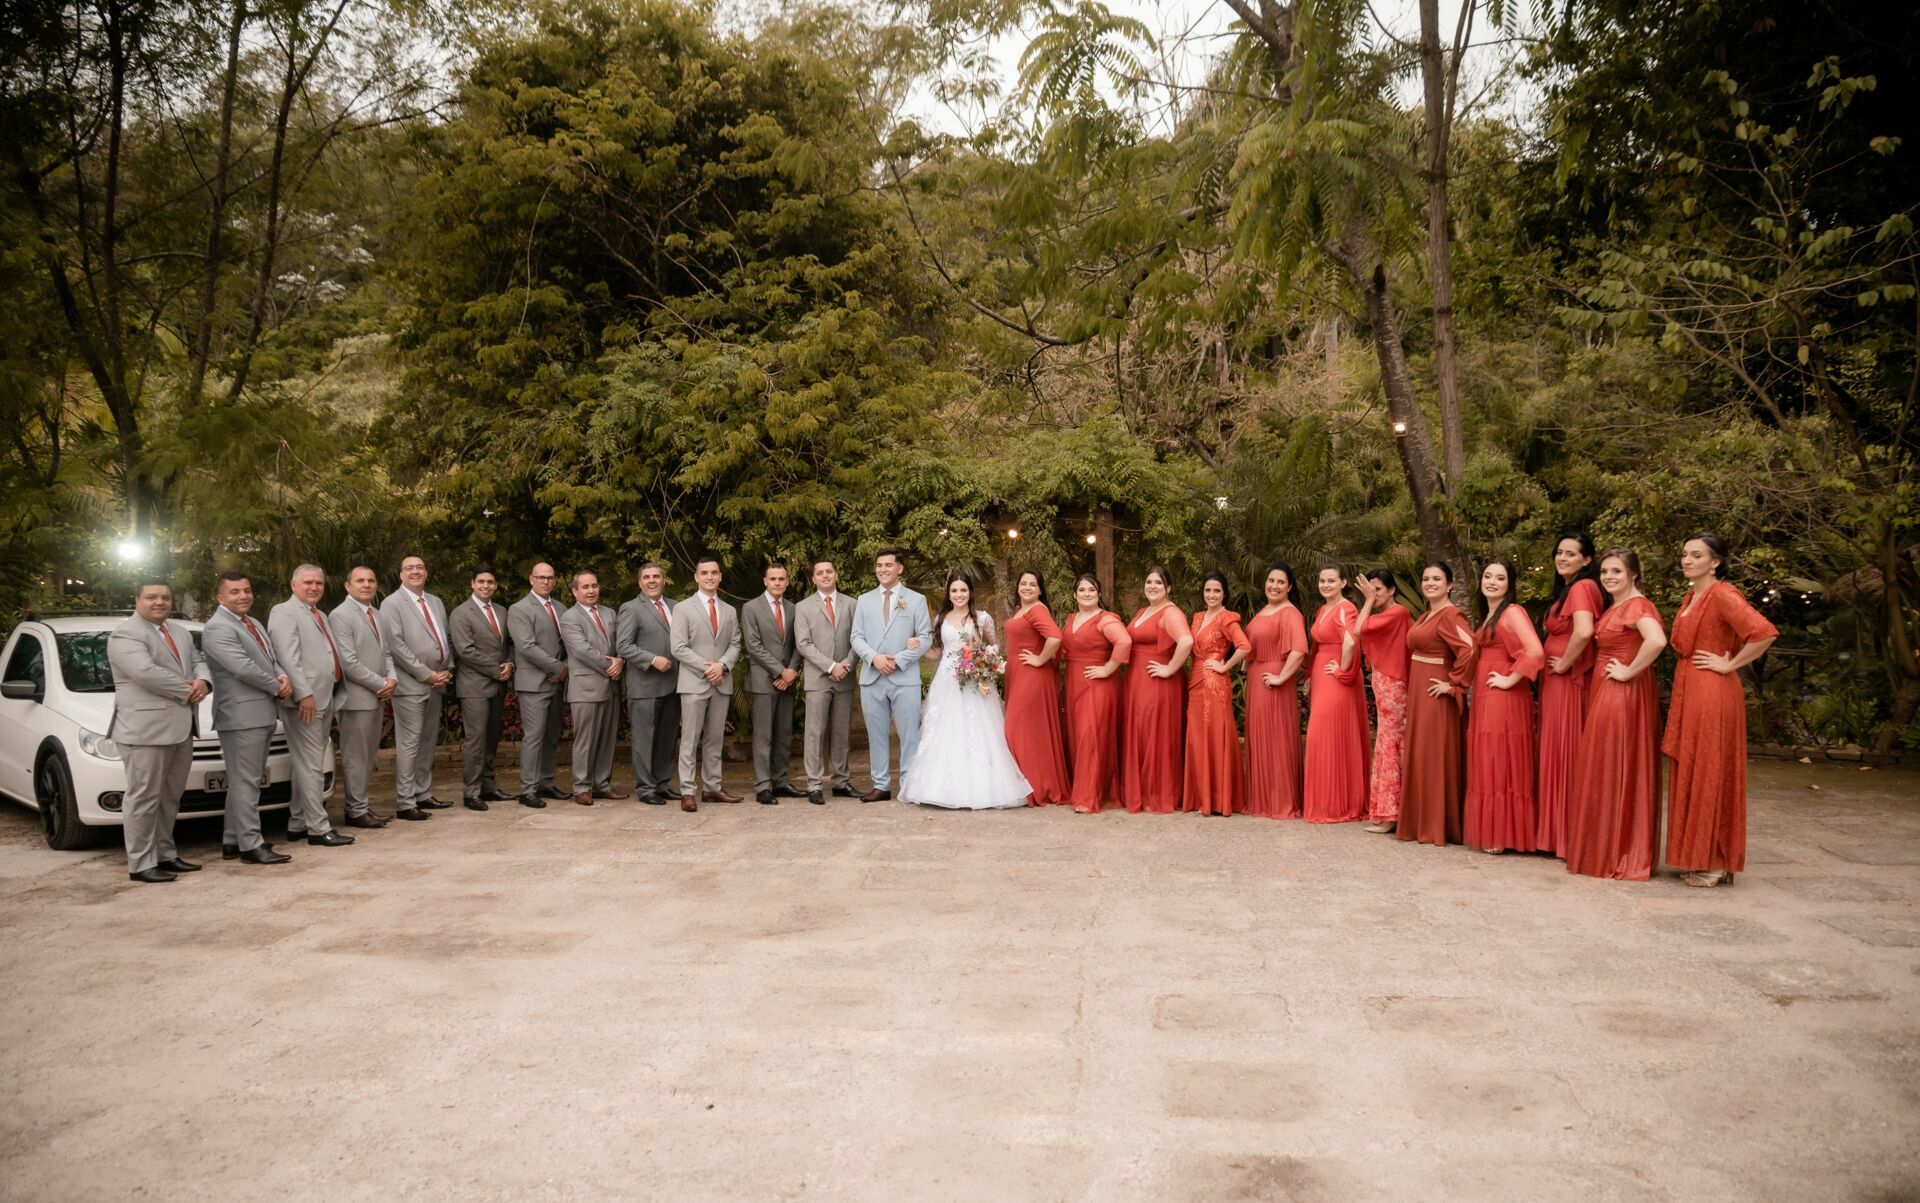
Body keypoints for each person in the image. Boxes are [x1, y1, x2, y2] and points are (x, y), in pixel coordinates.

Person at [1663, 533, 1778, 887]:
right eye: (1684, 554)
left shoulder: (1723, 594)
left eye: (1696, 555)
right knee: (1693, 769)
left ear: (1715, 562)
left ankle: (1713, 859)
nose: (1687, 560)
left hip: (1712, 692)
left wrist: (1731, 665)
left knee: (1710, 770)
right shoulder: (1692, 595)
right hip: (1691, 689)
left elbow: (1764, 633)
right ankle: (1698, 855)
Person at [1566, 550, 1667, 881]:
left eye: (1617, 572)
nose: (1608, 577)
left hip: (1621, 690)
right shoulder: (1617, 606)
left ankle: (1618, 850)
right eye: (1605, 571)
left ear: (1634, 574)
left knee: (1614, 761)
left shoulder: (1639, 605)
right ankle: (1604, 846)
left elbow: (1657, 641)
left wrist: (1629, 672)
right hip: (1607, 686)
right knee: (1604, 762)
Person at [107, 579, 211, 882]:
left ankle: (165, 854)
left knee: (169, 797)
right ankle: (140, 863)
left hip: (181, 727)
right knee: (143, 797)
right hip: (144, 730)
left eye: (165, 597)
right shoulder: (125, 633)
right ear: (137, 600)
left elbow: (198, 661)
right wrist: (188, 690)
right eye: (151, 597)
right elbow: (145, 672)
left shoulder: (178, 631)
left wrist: (204, 682)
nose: (159, 602)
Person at [898, 574, 1031, 809]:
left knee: (979, 731)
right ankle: (937, 789)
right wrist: (917, 646)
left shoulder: (981, 618)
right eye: (954, 591)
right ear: (948, 594)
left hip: (974, 681)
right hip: (946, 681)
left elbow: (995, 644)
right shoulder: (940, 618)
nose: (959, 595)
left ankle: (983, 787)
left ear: (970, 592)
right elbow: (935, 654)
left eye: (963, 590)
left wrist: (983, 656)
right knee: (943, 730)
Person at [200, 571, 294, 861]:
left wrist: (281, 673)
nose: (243, 596)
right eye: (234, 592)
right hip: (241, 715)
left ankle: (232, 839)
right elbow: (241, 668)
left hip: (261, 712)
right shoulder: (217, 628)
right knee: (246, 782)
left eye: (246, 590)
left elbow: (269, 657)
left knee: (244, 780)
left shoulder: (252, 622)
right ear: (220, 597)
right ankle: (251, 845)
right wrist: (277, 686)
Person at [268, 564, 353, 847]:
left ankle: (298, 822)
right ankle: (318, 828)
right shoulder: (284, 612)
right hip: (306, 702)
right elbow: (288, 658)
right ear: (294, 585)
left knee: (306, 764)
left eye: (318, 582)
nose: (314, 587)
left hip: (325, 696)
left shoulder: (320, 614)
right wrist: (303, 694)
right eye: (307, 583)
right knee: (311, 765)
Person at [1464, 559, 1545, 854]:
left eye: (1500, 578)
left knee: (1499, 756)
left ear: (1510, 585)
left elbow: (1535, 650)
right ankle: (1494, 830)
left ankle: (1503, 834)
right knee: (1488, 756)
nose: (1492, 581)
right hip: (1487, 694)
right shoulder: (1488, 615)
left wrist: (1511, 680)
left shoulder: (1512, 611)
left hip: (1504, 696)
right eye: (1487, 576)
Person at [1396, 562, 1476, 847]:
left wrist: (1454, 684)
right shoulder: (1427, 614)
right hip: (1420, 689)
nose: (1430, 583)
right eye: (1426, 578)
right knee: (1421, 752)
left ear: (1450, 585)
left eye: (1437, 579)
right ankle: (1421, 822)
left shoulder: (1450, 614)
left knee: (1433, 754)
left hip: (1435, 691)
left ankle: (1436, 824)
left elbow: (1469, 648)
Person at [1537, 532, 1604, 858]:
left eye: (1571, 554)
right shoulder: (1570, 589)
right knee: (1555, 749)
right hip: (1555, 681)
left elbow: (1584, 631)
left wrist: (1564, 663)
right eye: (1559, 552)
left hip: (1568, 680)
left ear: (1587, 560)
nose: (1562, 558)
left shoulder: (1582, 587)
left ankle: (1566, 836)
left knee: (1565, 750)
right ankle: (1555, 834)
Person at [850, 549, 932, 802]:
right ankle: (881, 784)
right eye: (879, 565)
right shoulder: (864, 600)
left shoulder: (916, 600)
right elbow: (856, 637)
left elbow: (926, 637)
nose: (883, 569)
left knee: (909, 735)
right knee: (876, 734)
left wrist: (898, 661)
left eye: (888, 565)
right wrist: (874, 658)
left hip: (904, 677)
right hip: (872, 677)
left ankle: (908, 785)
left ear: (900, 568)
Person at [380, 556, 454, 819]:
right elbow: (397, 646)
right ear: (400, 574)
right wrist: (426, 675)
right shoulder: (391, 604)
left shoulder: (435, 601)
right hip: (412, 684)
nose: (415, 571)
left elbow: (443, 638)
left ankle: (422, 793)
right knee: (409, 743)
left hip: (437, 681)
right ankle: (405, 801)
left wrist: (447, 670)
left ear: (427, 572)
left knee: (427, 741)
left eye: (420, 567)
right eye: (409, 568)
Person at [669, 555, 744, 811]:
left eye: (714, 572)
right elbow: (678, 647)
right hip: (694, 682)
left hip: (721, 681)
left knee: (715, 738)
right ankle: (688, 791)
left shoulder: (730, 611)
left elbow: (735, 644)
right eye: (705, 573)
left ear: (720, 576)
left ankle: (712, 788)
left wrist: (722, 666)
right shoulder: (682, 609)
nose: (710, 577)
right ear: (696, 577)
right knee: (690, 738)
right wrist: (708, 668)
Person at [1121, 567, 1192, 814]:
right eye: (1149, 581)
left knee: (1155, 733)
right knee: (1141, 732)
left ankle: (1159, 792)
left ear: (1168, 588)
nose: (1152, 586)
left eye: (1158, 583)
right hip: (1138, 681)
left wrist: (1170, 669)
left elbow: (1186, 641)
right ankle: (1141, 791)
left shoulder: (1170, 612)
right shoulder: (1143, 611)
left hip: (1158, 682)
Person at [332, 566, 399, 826]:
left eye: (371, 580)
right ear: (347, 586)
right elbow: (348, 662)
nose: (366, 585)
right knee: (355, 757)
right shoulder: (340, 615)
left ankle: (362, 806)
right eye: (360, 581)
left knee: (369, 757)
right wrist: (380, 682)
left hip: (377, 696)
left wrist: (392, 679)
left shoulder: (378, 615)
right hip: (356, 698)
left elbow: (387, 654)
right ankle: (355, 811)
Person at [1303, 564, 1369, 823]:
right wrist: (1309, 676)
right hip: (1322, 673)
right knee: (1324, 734)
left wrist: (1342, 669)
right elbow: (1316, 644)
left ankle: (1335, 803)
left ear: (1343, 583)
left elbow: (1351, 640)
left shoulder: (1346, 608)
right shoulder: (1323, 609)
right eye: (1322, 581)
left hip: (1336, 677)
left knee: (1325, 733)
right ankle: (1327, 800)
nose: (1326, 585)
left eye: (1331, 581)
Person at [1182, 571, 1250, 816]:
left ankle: (1219, 799)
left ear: (1224, 594)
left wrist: (1224, 665)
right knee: (1198, 735)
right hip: (1196, 680)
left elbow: (1244, 646)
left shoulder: (1226, 618)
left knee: (1215, 734)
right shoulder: (1198, 616)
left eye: (1216, 591)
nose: (1211, 594)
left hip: (1214, 681)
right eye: (1208, 590)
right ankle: (1202, 796)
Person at [448, 565, 515, 810]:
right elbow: (465, 651)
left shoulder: (501, 611)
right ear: (473, 584)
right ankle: (471, 792)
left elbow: (509, 643)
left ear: (495, 585)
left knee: (492, 738)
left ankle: (488, 787)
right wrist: (497, 669)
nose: (486, 586)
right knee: (476, 740)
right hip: (474, 686)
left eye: (490, 582)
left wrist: (509, 663)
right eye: (481, 582)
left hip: (498, 685)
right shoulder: (461, 613)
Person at [1061, 574, 1130, 814]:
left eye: (1091, 590)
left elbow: (1124, 642)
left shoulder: (1105, 619)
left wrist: (1108, 669)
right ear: (1075, 595)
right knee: (1078, 737)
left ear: (1099, 594)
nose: (1087, 594)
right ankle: (1082, 790)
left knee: (1090, 738)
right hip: (1074, 683)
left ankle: (1087, 797)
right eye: (1082, 590)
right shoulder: (1072, 618)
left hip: (1097, 684)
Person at [1243, 562, 1307, 820]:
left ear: (1289, 587)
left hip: (1274, 682)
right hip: (1258, 680)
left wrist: (1282, 677)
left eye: (1281, 582)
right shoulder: (1264, 610)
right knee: (1260, 737)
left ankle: (1280, 801)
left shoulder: (1290, 613)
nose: (1274, 586)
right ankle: (1262, 800)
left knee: (1277, 738)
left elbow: (1299, 650)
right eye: (1271, 581)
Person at [559, 570, 628, 806]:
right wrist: (610, 665)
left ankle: (602, 784)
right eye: (585, 587)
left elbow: (621, 643)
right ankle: (581, 787)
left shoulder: (610, 613)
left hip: (612, 685)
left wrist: (621, 660)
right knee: (585, 740)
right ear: (574, 591)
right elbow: (581, 650)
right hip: (586, 687)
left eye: (594, 586)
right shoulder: (569, 618)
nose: (591, 591)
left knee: (608, 738)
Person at [1002, 569, 1070, 806]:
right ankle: (1026, 784)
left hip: (1032, 676)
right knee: (1029, 731)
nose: (1027, 587)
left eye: (1033, 584)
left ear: (1040, 589)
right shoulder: (1021, 610)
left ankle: (1035, 787)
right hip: (1018, 675)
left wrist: (1040, 659)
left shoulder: (1037, 609)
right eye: (1023, 583)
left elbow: (1055, 637)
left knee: (1016, 729)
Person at [615, 562, 679, 805]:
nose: (652, 580)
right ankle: (645, 788)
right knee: (644, 740)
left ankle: (662, 784)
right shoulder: (631, 608)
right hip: (645, 686)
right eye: (646, 577)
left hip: (673, 684)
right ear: (639, 582)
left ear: (664, 580)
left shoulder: (675, 606)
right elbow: (624, 645)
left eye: (656, 576)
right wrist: (652, 659)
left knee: (667, 738)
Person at [794, 558, 857, 805]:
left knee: (841, 732)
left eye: (829, 571)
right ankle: (814, 784)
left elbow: (858, 638)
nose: (825, 575)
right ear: (813, 578)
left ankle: (841, 781)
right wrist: (831, 666)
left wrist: (845, 665)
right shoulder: (803, 607)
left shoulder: (852, 604)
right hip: (818, 677)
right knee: (815, 732)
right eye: (820, 573)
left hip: (846, 676)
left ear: (836, 574)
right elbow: (803, 643)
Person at [1354, 570, 1412, 834]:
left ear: (1391, 591)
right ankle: (1387, 811)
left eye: (1378, 590)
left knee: (1390, 742)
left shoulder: (1397, 613)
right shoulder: (1385, 615)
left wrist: (1366, 601)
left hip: (1394, 682)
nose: (1373, 594)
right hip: (1385, 681)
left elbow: (1358, 628)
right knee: (1388, 740)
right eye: (1370, 589)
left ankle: (1391, 814)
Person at [742, 561, 804, 805]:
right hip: (763, 681)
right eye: (773, 579)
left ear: (787, 582)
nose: (777, 583)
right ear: (765, 581)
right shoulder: (750, 608)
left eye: (781, 579)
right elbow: (753, 646)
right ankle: (762, 785)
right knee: (763, 736)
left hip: (787, 681)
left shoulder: (793, 608)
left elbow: (800, 644)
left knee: (784, 734)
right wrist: (780, 671)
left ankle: (781, 781)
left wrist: (791, 671)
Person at [508, 563, 569, 808]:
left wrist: (563, 667)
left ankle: (546, 782)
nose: (546, 581)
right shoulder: (519, 609)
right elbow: (526, 646)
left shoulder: (561, 608)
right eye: (541, 577)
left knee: (552, 735)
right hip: (534, 682)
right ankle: (528, 789)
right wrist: (558, 668)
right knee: (533, 737)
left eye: (550, 578)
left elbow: (570, 643)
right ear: (531, 579)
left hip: (557, 681)